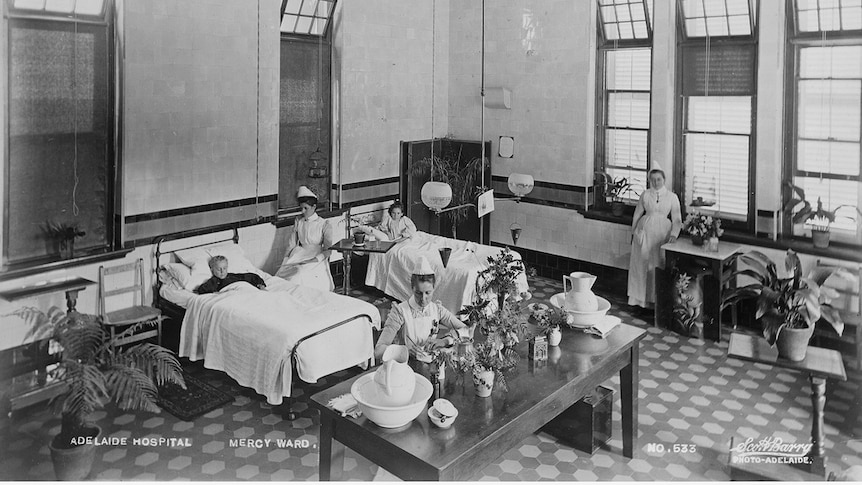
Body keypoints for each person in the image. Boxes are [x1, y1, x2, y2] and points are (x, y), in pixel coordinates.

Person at [374, 256, 467, 361]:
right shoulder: (400, 312)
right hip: (406, 364)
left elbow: (466, 330)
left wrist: (444, 341)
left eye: (428, 293)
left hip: (431, 364)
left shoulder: (437, 309)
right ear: (412, 288)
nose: (423, 299)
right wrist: (404, 350)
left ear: (434, 288)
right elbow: (378, 351)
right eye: (418, 293)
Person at [627, 168, 682, 310]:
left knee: (657, 266)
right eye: (653, 180)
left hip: (662, 236)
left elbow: (677, 219)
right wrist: (633, 233)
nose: (656, 182)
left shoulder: (672, 197)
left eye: (659, 179)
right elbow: (637, 214)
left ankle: (657, 304)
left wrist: (674, 235)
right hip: (644, 234)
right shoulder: (645, 195)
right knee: (641, 267)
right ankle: (639, 302)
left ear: (664, 180)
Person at [276, 186, 336, 291]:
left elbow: (328, 250)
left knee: (300, 273)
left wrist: (314, 259)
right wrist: (285, 260)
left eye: (306, 208)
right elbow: (291, 244)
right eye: (301, 208)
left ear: (314, 207)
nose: (302, 211)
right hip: (299, 254)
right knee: (285, 274)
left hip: (316, 257)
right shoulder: (299, 221)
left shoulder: (324, 224)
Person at [195, 255, 266, 294]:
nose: (222, 271)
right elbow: (202, 289)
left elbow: (251, 276)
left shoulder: (232, 276)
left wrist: (260, 285)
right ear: (212, 270)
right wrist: (215, 293)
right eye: (218, 269)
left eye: (224, 268)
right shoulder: (214, 281)